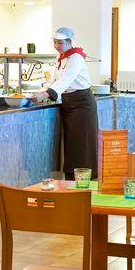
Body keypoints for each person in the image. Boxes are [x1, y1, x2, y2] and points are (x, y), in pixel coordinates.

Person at [30, 27, 97, 179]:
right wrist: (45, 92)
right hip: (69, 103)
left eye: (60, 43)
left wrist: (46, 94)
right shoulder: (61, 57)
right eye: (55, 42)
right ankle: (71, 179)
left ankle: (84, 180)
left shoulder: (76, 58)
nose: (57, 46)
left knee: (82, 145)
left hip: (82, 105)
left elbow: (65, 80)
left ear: (69, 42)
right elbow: (56, 80)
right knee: (71, 145)